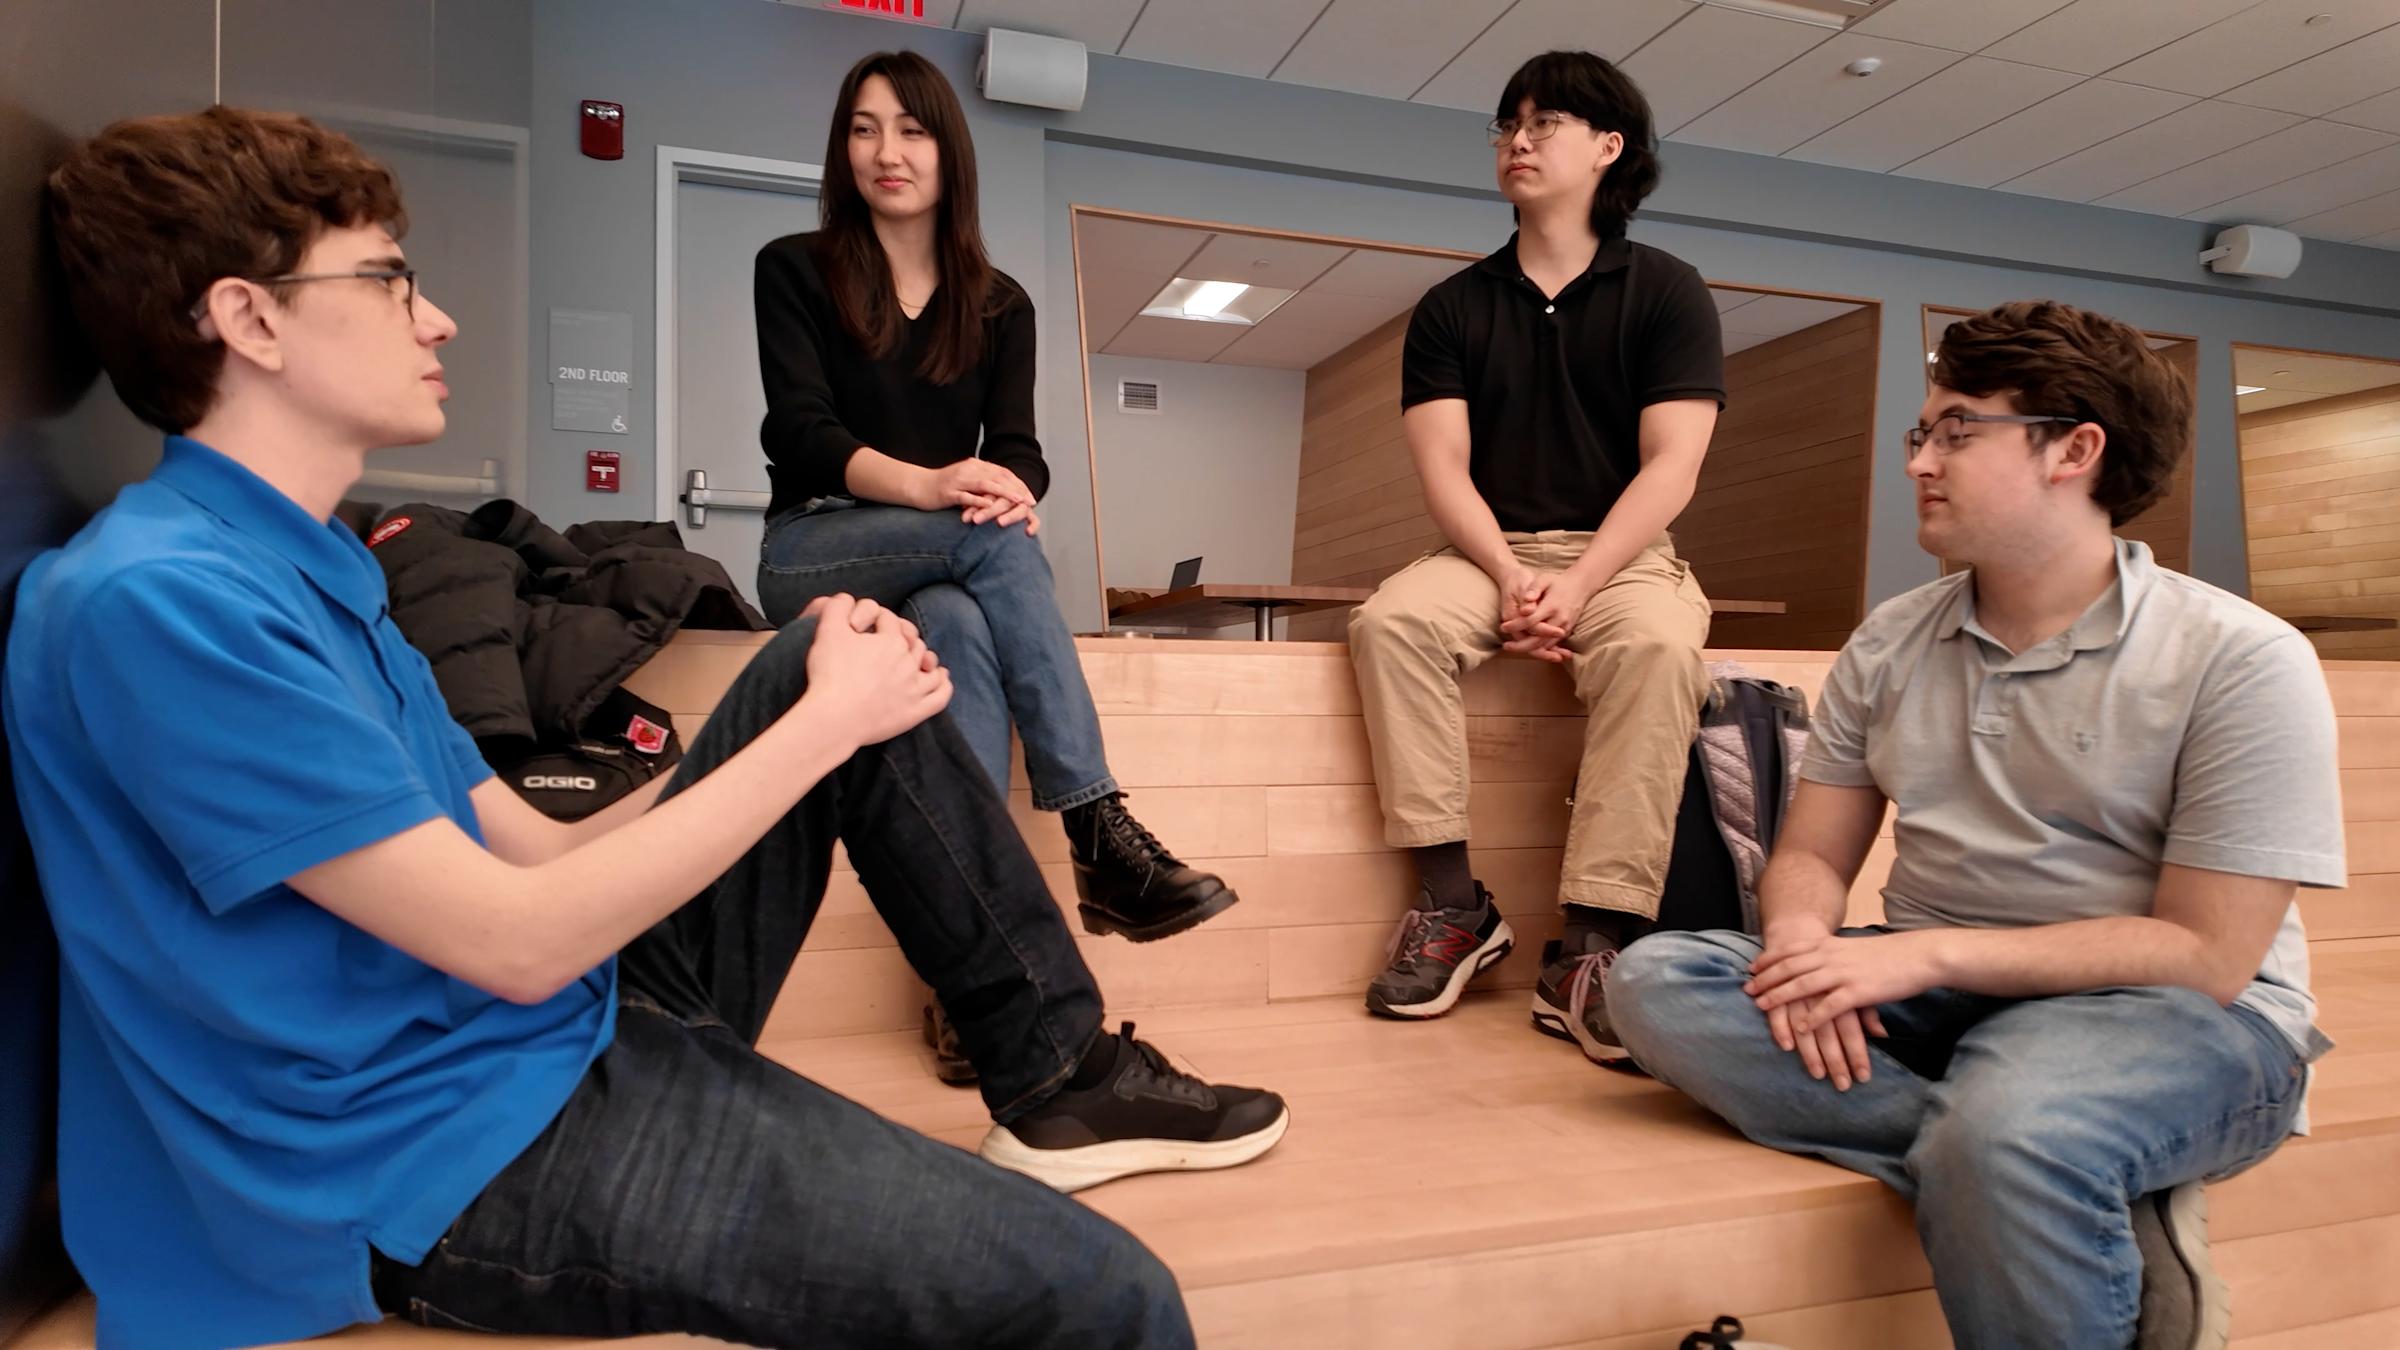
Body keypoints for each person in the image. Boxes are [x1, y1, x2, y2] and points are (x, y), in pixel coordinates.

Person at [13, 105, 1287, 1350]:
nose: (438, 317)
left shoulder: (319, 571)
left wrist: (770, 731)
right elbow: (511, 941)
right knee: (1109, 1301)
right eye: (393, 281)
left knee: (817, 652)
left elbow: (526, 849)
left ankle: (1057, 1076)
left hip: (543, 1030)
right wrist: (815, 738)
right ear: (247, 317)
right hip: (425, 1162)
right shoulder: (159, 604)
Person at [1609, 300, 2338, 1350]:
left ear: (2075, 451)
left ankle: (2025, 1149)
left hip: (2176, 1016)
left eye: (1957, 431)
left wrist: (1923, 959)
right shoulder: (1892, 640)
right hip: (1940, 995)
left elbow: (2208, 956)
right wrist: (1802, 943)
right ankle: (2068, 1178)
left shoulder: (2240, 658)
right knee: (1657, 983)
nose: (1920, 462)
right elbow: (1814, 851)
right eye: (1923, 434)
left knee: (2007, 1132)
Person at [752, 52, 1235, 1011]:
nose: (886, 151)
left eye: (912, 129)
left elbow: (1019, 448)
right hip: (815, 545)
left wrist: (1009, 490)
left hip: (944, 559)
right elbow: (799, 434)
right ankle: (1098, 830)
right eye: (863, 127)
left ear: (948, 149)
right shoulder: (794, 268)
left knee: (961, 624)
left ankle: (971, 984)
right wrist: (938, 488)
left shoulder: (1001, 301)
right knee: (993, 546)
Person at [1346, 50, 1724, 1057]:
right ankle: (1454, 905)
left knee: (1657, 651)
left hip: (1625, 555)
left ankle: (1590, 945)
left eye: (1545, 121)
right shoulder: (1452, 308)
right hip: (1484, 548)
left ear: (1610, 148)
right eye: (1508, 123)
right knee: (1391, 624)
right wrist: (1515, 579)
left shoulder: (1669, 292)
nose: (1518, 138)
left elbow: (1672, 467)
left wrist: (1581, 582)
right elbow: (1444, 474)